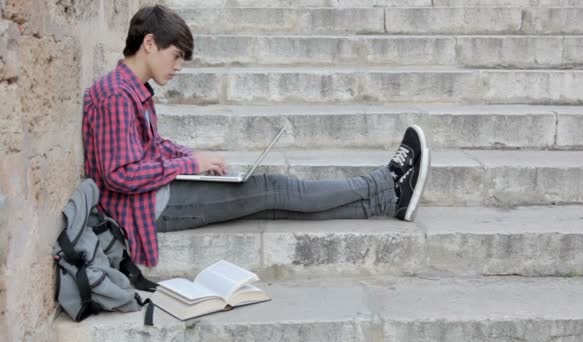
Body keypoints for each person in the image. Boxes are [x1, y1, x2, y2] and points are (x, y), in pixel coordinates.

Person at [82, 5, 430, 267]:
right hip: (149, 207)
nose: (178, 68)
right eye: (175, 57)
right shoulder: (116, 94)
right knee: (273, 188)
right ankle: (383, 182)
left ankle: (386, 202)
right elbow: (119, 174)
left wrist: (192, 159)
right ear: (149, 43)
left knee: (274, 204)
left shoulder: (131, 89)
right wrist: (189, 163)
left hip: (156, 195)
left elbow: (150, 146)